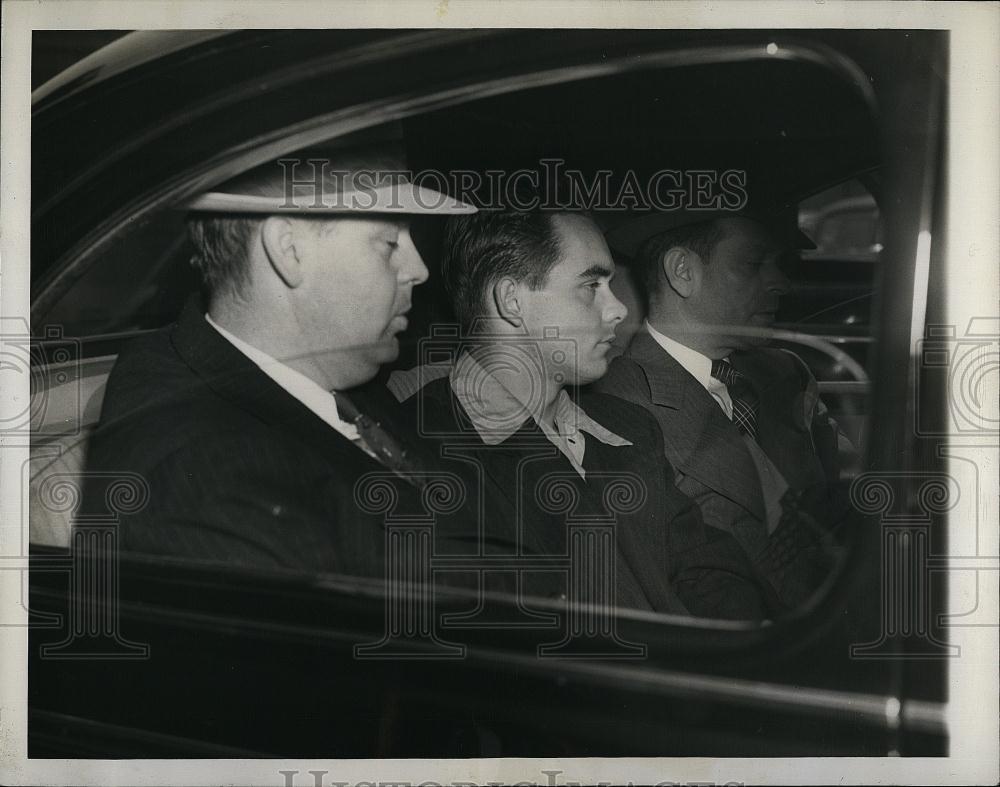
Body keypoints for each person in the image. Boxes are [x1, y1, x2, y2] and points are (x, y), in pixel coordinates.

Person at [80, 139, 476, 576]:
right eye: (388, 241)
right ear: (289, 250)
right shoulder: (207, 485)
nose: (418, 268)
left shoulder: (328, 373)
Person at [393, 210, 767, 619]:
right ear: (511, 301)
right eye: (591, 286)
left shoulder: (628, 427)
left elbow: (708, 569)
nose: (618, 309)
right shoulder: (419, 453)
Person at [595, 209, 850, 612]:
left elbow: (841, 492)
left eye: (776, 265)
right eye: (752, 264)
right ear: (683, 272)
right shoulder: (616, 407)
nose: (779, 283)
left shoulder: (785, 372)